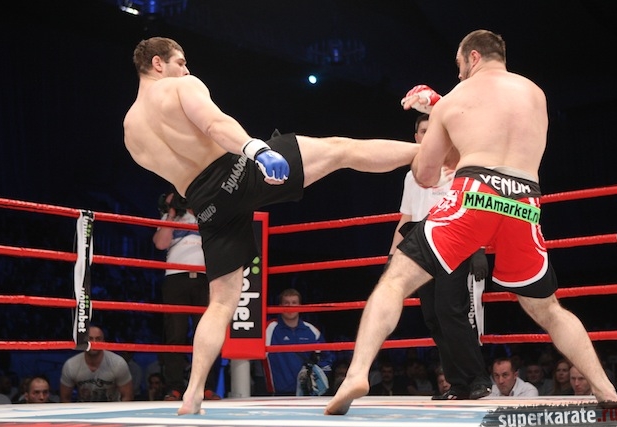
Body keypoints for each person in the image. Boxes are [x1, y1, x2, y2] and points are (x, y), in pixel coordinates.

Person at [325, 29, 617, 415]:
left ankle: (356, 374)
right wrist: (441, 108)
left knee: (394, 281)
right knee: (548, 309)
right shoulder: (535, 93)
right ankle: (606, 388)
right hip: (525, 202)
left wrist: (438, 112)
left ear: (473, 56)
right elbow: (495, 130)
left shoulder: (457, 98)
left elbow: (426, 175)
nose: (459, 73)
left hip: (475, 195)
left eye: (460, 64)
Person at [123, 36, 420, 415]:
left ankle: (192, 393)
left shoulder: (131, 129)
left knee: (221, 303)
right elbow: (215, 124)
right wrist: (258, 150)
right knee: (341, 149)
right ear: (157, 63)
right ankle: (428, 153)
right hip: (237, 171)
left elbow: (173, 171)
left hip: (205, 205)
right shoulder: (181, 87)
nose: (186, 68)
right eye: (180, 62)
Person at [389, 113, 490, 400]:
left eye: (431, 130)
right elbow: (406, 217)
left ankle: (478, 379)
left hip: (453, 245)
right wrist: (393, 256)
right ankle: (457, 384)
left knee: (451, 311)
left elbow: (475, 210)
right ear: (416, 137)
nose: (427, 135)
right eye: (422, 130)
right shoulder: (412, 175)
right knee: (433, 317)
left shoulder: (459, 168)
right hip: (421, 249)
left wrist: (479, 249)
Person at [152, 190, 217, 397]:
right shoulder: (169, 218)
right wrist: (172, 213)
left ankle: (207, 387)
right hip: (175, 278)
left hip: (205, 278)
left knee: (208, 333)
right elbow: (161, 243)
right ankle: (175, 388)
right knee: (175, 334)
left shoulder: (209, 213)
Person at [264, 288, 334, 396]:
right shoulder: (269, 328)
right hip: (278, 394)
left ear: (300, 306)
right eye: (286, 303)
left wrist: (317, 377)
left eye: (294, 303)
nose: (290, 307)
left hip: (307, 394)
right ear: (280, 306)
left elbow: (326, 358)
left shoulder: (311, 330)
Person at [59, 325, 134, 402]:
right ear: (83, 342)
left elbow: (127, 396)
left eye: (98, 339)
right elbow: (65, 398)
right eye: (90, 339)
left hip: (111, 408)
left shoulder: (118, 363)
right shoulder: (71, 365)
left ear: (103, 342)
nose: (94, 343)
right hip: (84, 408)